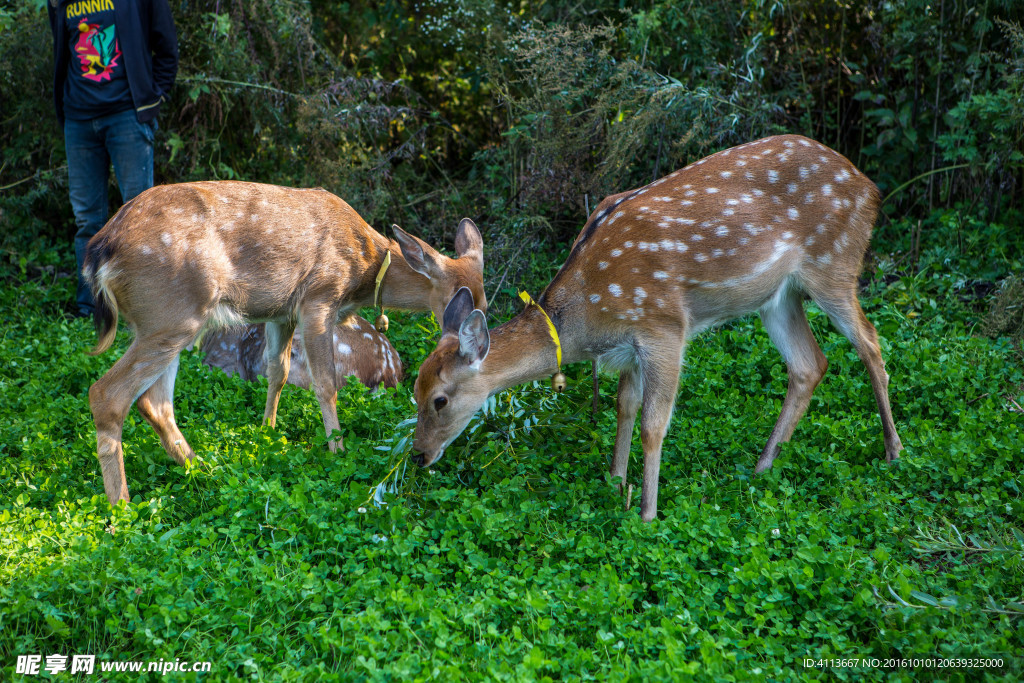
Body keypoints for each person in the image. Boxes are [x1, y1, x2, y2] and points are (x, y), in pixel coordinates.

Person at [47, 0, 178, 318]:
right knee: (86, 220)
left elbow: (167, 48)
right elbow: (63, 54)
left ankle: (141, 305)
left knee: (140, 216)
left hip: (127, 117)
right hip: (79, 121)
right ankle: (90, 307)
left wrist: (152, 101)